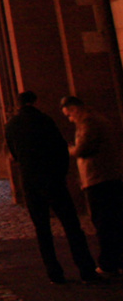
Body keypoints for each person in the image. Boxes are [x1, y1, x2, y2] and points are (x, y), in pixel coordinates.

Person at [6, 91, 98, 283]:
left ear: (18, 105)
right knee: (71, 225)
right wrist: (62, 173)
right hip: (51, 178)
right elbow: (60, 148)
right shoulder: (45, 120)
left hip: (30, 181)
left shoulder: (11, 125)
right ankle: (85, 269)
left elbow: (13, 154)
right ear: (35, 102)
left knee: (42, 229)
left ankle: (54, 272)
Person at [64, 94, 123, 275]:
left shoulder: (88, 123)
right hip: (108, 176)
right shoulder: (98, 120)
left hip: (98, 178)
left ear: (75, 109)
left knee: (104, 222)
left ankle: (109, 263)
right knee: (113, 220)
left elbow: (82, 149)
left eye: (69, 115)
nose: (70, 119)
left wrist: (69, 149)